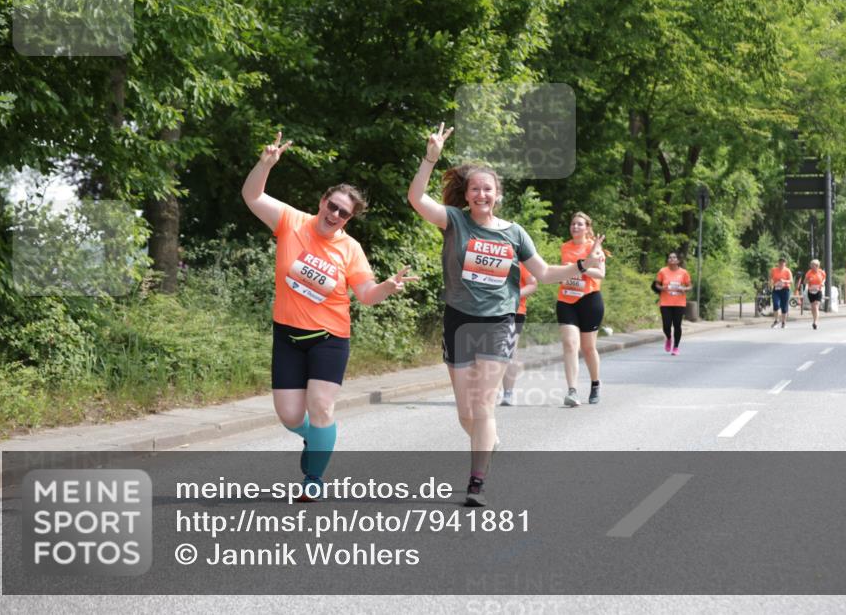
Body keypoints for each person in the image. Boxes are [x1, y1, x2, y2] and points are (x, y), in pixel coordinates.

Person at [408, 122, 604, 506]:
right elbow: (417, 199)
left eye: (488, 189)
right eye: (475, 188)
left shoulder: (514, 233)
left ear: (497, 195)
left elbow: (545, 273)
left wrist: (582, 266)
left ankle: (477, 482)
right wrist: (430, 159)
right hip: (458, 320)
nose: (481, 194)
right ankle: (488, 441)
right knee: (466, 412)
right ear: (467, 195)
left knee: (483, 404)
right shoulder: (455, 221)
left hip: (498, 322)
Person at [242, 133, 418, 501]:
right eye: (332, 205)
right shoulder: (291, 222)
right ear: (322, 201)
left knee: (321, 406)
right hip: (287, 334)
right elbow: (252, 197)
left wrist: (388, 285)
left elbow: (367, 296)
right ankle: (316, 438)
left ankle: (313, 479)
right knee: (290, 416)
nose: (334, 214)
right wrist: (266, 163)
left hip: (329, 337)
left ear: (348, 220)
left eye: (343, 213)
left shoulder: (350, 249)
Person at [557, 212, 607, 407]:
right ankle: (572, 390)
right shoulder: (565, 246)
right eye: (573, 224)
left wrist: (580, 267)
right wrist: (563, 274)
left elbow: (600, 274)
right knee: (570, 344)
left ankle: (595, 384)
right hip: (566, 299)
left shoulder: (594, 248)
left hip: (589, 300)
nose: (575, 227)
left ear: (587, 228)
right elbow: (564, 271)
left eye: (579, 224)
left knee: (588, 348)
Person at [500, 265, 537, 406]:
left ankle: (508, 393)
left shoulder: (519, 262)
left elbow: (532, 284)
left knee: (510, 350)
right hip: (489, 310)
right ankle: (489, 390)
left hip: (516, 310)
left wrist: (513, 295)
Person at [655, 253, 692, 355]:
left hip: (679, 303)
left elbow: (689, 286)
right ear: (668, 260)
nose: (672, 259)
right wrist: (662, 288)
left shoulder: (683, 272)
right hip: (665, 302)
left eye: (674, 257)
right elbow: (657, 284)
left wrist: (684, 289)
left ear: (678, 261)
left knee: (677, 325)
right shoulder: (663, 271)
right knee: (666, 325)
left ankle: (675, 347)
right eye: (670, 257)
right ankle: (668, 338)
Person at [800, 259, 826, 329]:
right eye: (811, 265)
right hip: (811, 291)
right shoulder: (809, 272)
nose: (811, 266)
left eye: (813, 265)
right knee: (812, 307)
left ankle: (815, 322)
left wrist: (822, 283)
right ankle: (814, 318)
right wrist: (808, 280)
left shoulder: (821, 272)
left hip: (818, 291)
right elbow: (804, 282)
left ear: (817, 266)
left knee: (816, 306)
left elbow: (823, 279)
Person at [769, 257, 793, 329]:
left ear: (785, 264)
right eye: (780, 262)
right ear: (778, 263)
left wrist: (784, 281)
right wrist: (771, 284)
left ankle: (783, 322)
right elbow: (770, 278)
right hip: (776, 289)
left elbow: (791, 281)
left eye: (783, 262)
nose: (781, 264)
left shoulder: (787, 271)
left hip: (785, 290)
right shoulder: (774, 270)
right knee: (776, 304)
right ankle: (776, 320)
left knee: (784, 306)